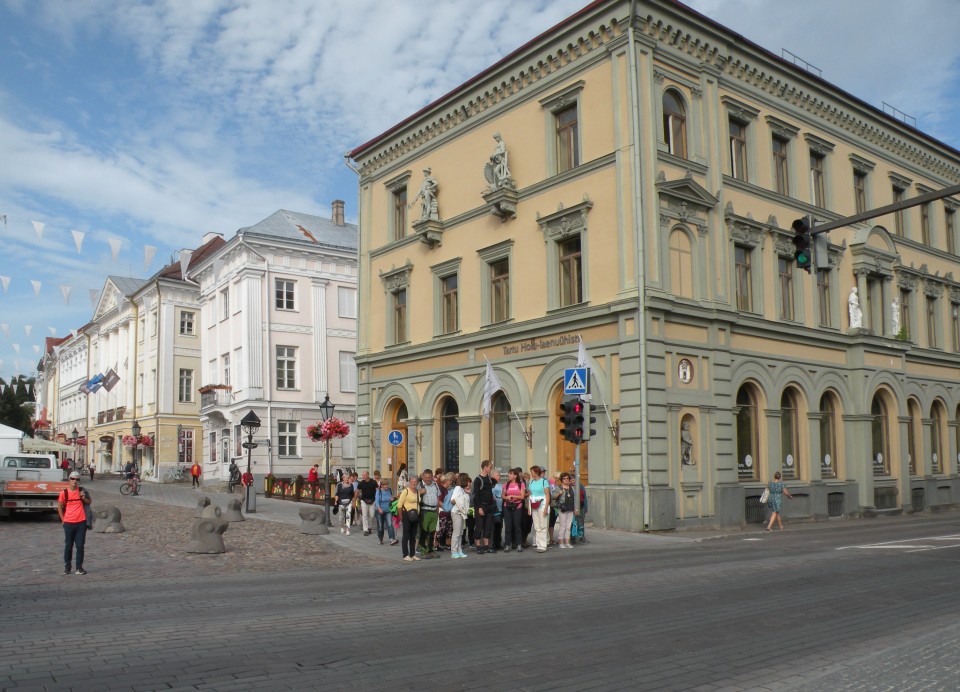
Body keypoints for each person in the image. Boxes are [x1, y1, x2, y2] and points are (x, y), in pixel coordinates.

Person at [58, 471, 92, 575]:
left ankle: (79, 568)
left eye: (77, 479)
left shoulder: (82, 491)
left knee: (80, 546)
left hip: (81, 522)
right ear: (69, 479)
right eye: (73, 479)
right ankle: (67, 567)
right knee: (68, 545)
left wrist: (83, 497)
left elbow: (89, 502)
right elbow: (59, 507)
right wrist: (63, 520)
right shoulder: (64, 493)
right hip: (69, 522)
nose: (75, 481)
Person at [471, 460, 495, 554]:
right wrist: (479, 507)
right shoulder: (478, 479)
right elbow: (476, 495)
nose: (490, 469)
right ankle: (477, 545)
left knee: (488, 527)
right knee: (479, 526)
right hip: (481, 506)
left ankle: (486, 546)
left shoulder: (489, 479)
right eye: (490, 467)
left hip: (489, 506)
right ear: (485, 467)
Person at [417, 469, 440, 559]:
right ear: (423, 477)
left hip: (434, 510)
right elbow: (413, 495)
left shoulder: (435, 484)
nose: (427, 479)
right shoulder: (419, 485)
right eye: (426, 477)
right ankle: (423, 550)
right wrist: (419, 492)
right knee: (424, 532)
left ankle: (431, 550)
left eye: (429, 477)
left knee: (432, 532)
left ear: (432, 476)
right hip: (424, 510)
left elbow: (437, 497)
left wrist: (437, 511)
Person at [397, 476, 421, 562]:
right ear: (409, 482)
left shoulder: (417, 492)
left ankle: (412, 554)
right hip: (407, 515)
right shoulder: (405, 491)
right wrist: (401, 517)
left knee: (413, 536)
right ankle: (405, 554)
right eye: (412, 482)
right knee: (406, 535)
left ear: (417, 483)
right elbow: (399, 505)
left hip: (415, 516)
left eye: (415, 482)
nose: (414, 483)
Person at [501, 467, 526, 553]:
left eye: (511, 474)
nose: (509, 475)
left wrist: (513, 497)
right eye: (509, 473)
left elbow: (522, 496)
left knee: (517, 526)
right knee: (508, 526)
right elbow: (503, 495)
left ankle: (519, 544)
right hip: (507, 506)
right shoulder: (506, 484)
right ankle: (508, 544)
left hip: (517, 506)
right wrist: (507, 497)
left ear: (515, 475)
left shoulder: (521, 484)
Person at [527, 465, 550, 553]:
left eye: (532, 472)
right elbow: (530, 495)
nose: (531, 474)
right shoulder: (532, 482)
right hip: (534, 505)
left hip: (542, 504)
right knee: (536, 526)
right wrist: (529, 508)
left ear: (536, 472)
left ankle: (543, 546)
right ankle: (538, 544)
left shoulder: (544, 482)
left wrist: (546, 508)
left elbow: (547, 495)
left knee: (543, 525)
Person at [450, 473, 471, 559]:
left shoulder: (462, 489)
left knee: (461, 532)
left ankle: (459, 550)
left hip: (461, 512)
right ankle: (454, 551)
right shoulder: (458, 488)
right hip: (457, 512)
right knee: (457, 532)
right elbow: (453, 500)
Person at [554, 473, 576, 550]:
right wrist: (559, 494)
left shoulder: (572, 488)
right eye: (564, 478)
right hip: (563, 508)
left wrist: (575, 509)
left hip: (570, 508)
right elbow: (553, 496)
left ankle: (567, 542)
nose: (566, 480)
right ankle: (561, 542)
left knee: (568, 526)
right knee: (562, 526)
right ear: (561, 480)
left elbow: (575, 499)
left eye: (567, 478)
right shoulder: (559, 487)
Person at [374, 479, 398, 545]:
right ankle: (380, 538)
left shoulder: (389, 490)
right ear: (381, 485)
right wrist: (379, 509)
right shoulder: (378, 491)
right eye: (385, 485)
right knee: (380, 526)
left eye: (387, 485)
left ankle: (392, 539)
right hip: (380, 511)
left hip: (388, 510)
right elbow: (377, 501)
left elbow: (391, 498)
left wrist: (392, 499)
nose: (386, 486)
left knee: (390, 524)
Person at [356, 470, 378, 536]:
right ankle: (365, 530)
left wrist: (378, 499)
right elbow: (357, 491)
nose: (363, 477)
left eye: (364, 475)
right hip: (364, 501)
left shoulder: (373, 482)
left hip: (372, 501)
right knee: (364, 516)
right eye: (362, 475)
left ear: (368, 475)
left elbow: (377, 490)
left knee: (372, 515)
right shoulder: (361, 483)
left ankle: (369, 527)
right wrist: (355, 498)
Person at [490, 467, 504, 552]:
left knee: (500, 526)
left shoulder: (500, 485)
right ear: (493, 476)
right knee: (494, 527)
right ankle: (493, 543)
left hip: (501, 508)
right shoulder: (492, 485)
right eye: (498, 475)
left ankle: (498, 542)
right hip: (495, 509)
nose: (499, 477)